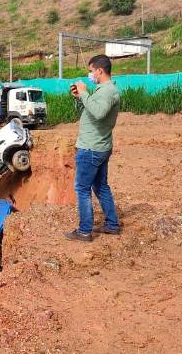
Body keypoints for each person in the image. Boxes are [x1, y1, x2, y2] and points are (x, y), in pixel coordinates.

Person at [65, 54, 121, 242]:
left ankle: (84, 231)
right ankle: (112, 225)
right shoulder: (103, 90)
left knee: (82, 188)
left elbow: (98, 113)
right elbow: (91, 110)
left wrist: (84, 92)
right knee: (100, 187)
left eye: (91, 71)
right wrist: (80, 97)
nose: (89, 75)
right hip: (99, 146)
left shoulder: (107, 91)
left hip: (91, 148)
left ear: (99, 70)